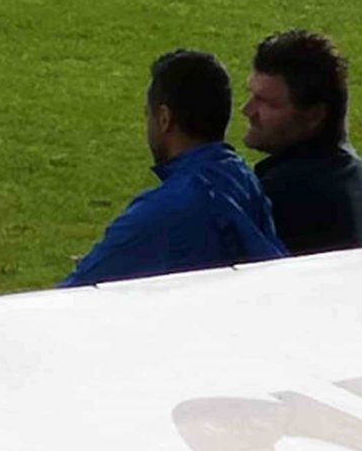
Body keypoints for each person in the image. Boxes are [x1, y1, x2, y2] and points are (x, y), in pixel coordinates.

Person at [59, 50, 287, 288]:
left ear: (164, 119)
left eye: (148, 114)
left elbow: (73, 294)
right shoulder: (240, 177)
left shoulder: (165, 211)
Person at [242, 29, 362, 256]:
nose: (248, 111)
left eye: (267, 103)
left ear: (314, 115)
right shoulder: (350, 171)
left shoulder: (286, 193)